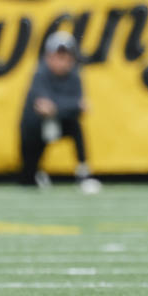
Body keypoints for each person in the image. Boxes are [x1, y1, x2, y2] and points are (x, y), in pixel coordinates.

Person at [20, 31, 97, 189]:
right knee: (28, 179)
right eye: (59, 56)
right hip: (34, 130)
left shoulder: (74, 75)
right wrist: (70, 106)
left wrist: (59, 107)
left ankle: (83, 171)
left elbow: (77, 108)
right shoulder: (40, 73)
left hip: (59, 123)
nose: (63, 61)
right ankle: (35, 172)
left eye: (67, 56)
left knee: (76, 128)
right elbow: (45, 107)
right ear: (49, 56)